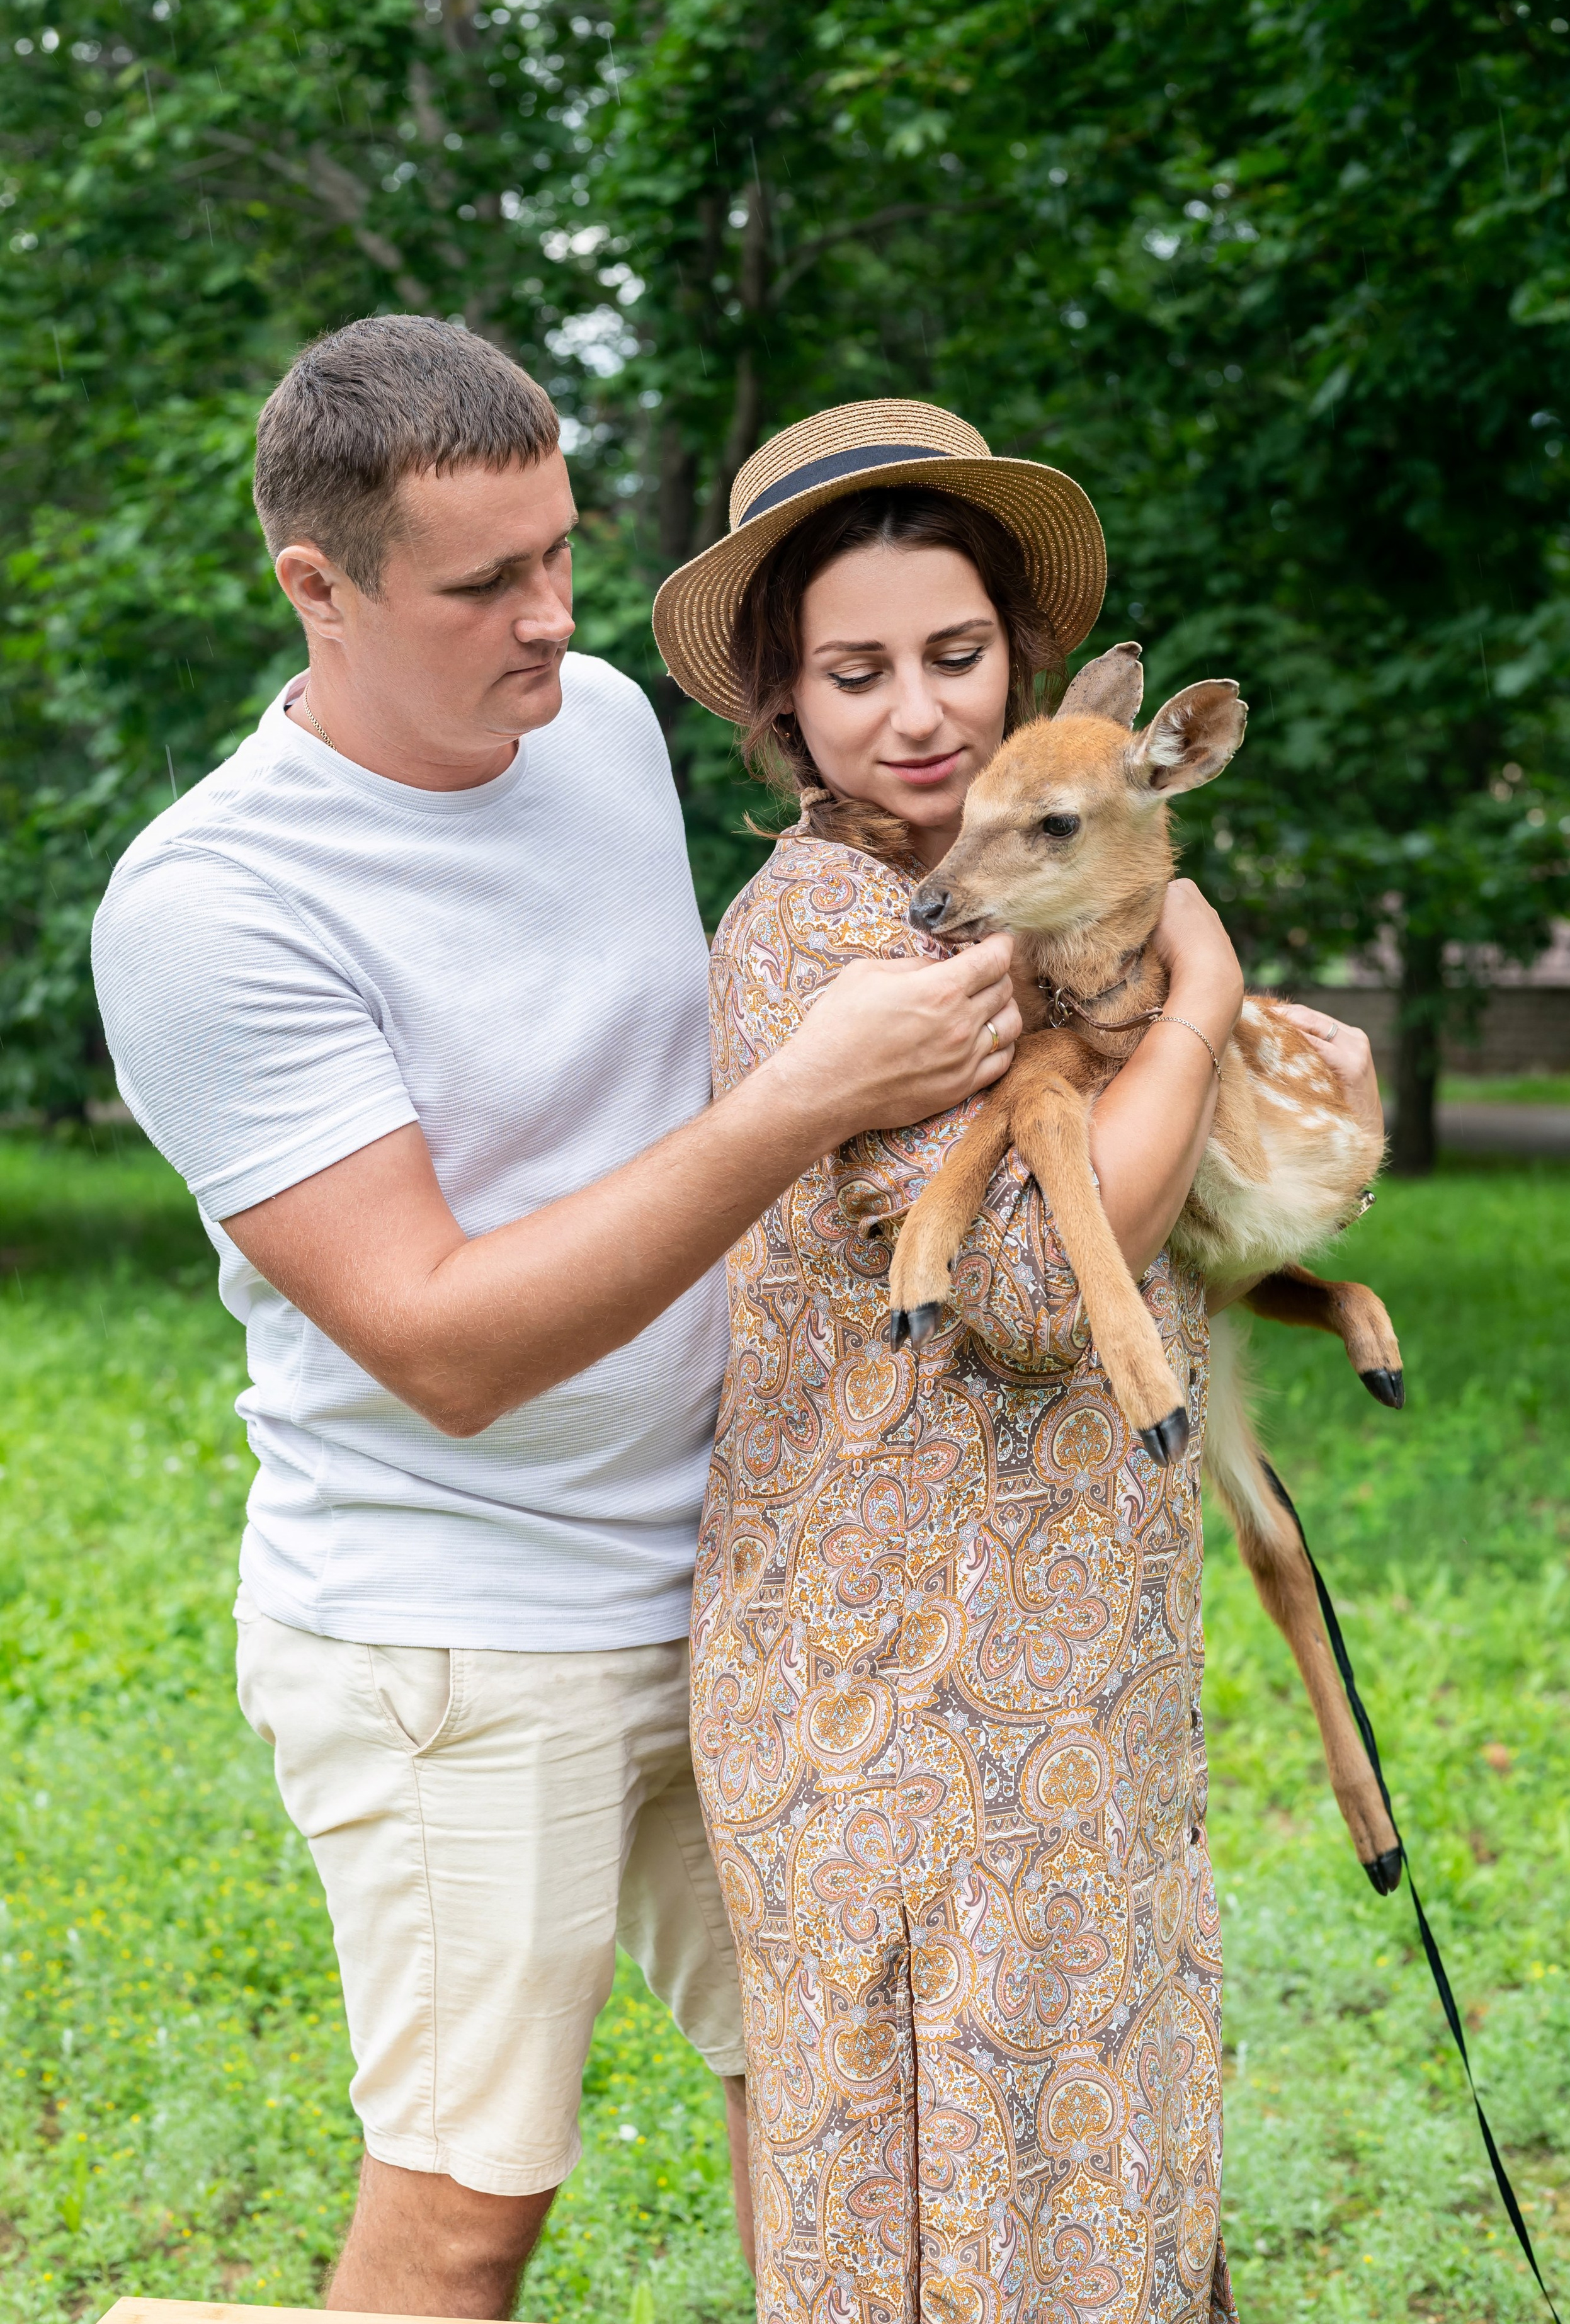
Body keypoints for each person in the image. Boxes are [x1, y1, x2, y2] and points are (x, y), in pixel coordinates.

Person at [89, 328, 1025, 2320]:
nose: (556, 618)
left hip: (723, 1567)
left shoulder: (592, 724)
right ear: (314, 585)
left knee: (847, 2090)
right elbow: (441, 1341)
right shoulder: (214, 905)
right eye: (484, 584)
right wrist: (804, 1102)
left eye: (562, 553)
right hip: (457, 1625)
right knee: (473, 2198)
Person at [654, 400, 1378, 2323]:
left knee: (1097, 2166)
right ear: (785, 708)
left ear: (1023, 660)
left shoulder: (1029, 900)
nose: (917, 715)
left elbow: (1193, 1197)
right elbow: (1044, 1295)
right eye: (855, 671)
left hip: (1060, 1662)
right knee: (962, 2210)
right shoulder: (837, 929)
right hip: (904, 1699)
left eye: (956, 655)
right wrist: (1208, 992)